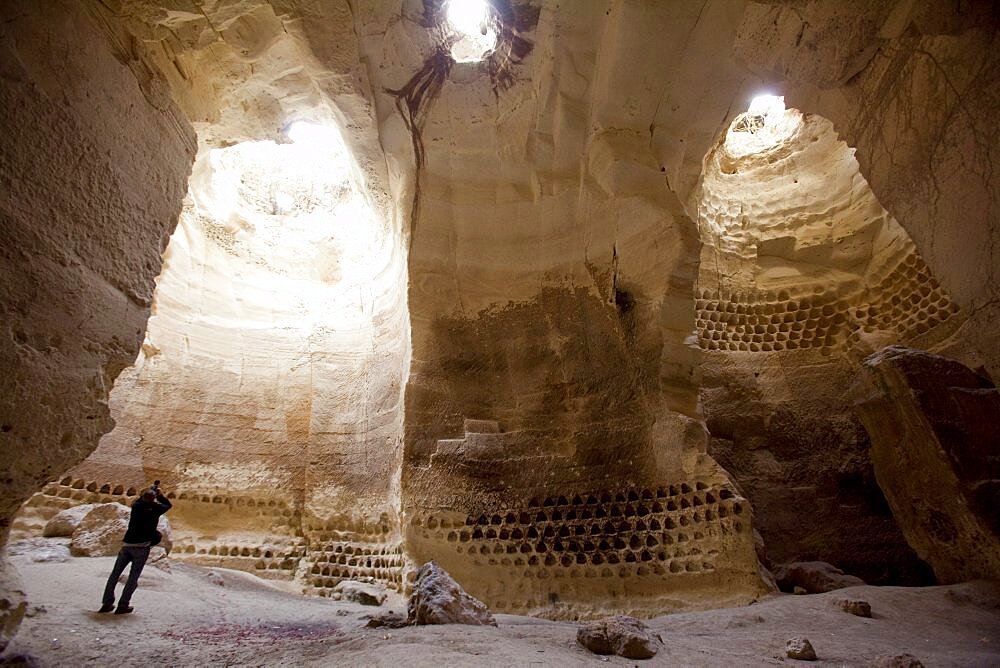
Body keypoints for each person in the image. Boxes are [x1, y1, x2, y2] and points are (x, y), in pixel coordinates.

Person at [99, 483, 172, 614]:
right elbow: (168, 505)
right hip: (142, 547)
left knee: (114, 575)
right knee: (133, 577)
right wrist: (159, 495)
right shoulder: (154, 508)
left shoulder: (136, 507)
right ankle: (123, 605)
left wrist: (148, 492)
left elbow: (139, 500)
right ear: (153, 499)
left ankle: (107, 603)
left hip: (127, 545)